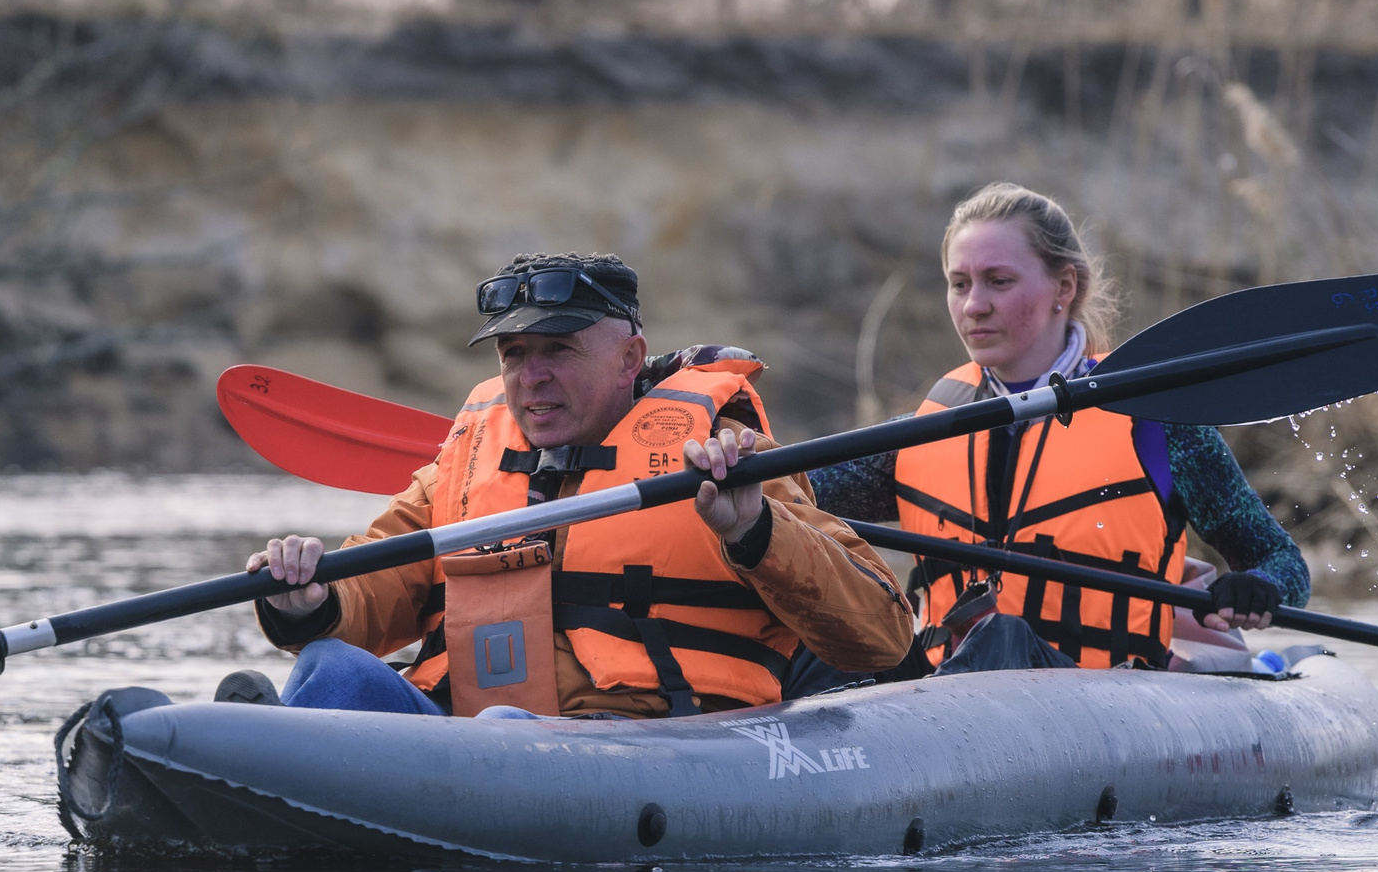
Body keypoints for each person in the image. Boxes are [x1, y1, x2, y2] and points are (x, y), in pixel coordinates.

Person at [229, 253, 914, 718]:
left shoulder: (729, 460)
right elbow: (372, 595)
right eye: (514, 355)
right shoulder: (460, 466)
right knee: (331, 664)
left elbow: (881, 635)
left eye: (558, 350)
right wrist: (307, 600)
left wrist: (754, 530)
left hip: (641, 749)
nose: (532, 377)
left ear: (630, 360)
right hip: (464, 742)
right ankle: (241, 762)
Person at [810, 183, 1310, 674]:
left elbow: (1282, 560)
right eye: (959, 283)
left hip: (1111, 703)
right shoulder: (920, 434)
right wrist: (734, 452)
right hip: (950, 707)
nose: (973, 305)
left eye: (998, 281)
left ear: (1064, 287)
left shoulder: (1155, 425)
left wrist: (1259, 586)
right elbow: (788, 495)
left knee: (1003, 637)